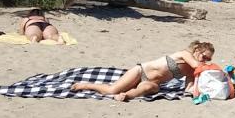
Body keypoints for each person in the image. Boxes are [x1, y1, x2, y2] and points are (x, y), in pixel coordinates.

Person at [71, 41, 214, 101]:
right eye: (204, 56)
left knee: (146, 88)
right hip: (141, 71)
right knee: (111, 90)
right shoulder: (185, 54)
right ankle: (86, 85)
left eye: (208, 59)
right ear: (197, 50)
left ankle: (125, 96)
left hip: (153, 82)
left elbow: (189, 89)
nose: (205, 60)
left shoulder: (191, 70)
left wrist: (200, 93)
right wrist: (216, 70)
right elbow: (197, 66)